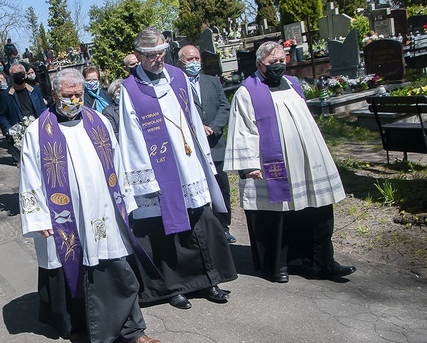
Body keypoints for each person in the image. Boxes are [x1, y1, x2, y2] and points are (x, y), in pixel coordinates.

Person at [19, 68, 162, 343]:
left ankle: (132, 330)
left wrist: (126, 200)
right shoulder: (37, 131)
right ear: (53, 95)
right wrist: (37, 218)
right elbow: (30, 175)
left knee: (117, 266)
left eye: (78, 95)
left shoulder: (99, 121)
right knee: (74, 266)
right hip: (63, 219)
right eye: (67, 95)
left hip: (103, 209)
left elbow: (117, 160)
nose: (73, 100)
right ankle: (82, 326)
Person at [119, 27, 237, 310]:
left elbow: (193, 119)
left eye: (161, 52)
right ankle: (174, 288)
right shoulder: (130, 89)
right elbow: (130, 136)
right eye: (151, 55)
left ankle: (210, 280)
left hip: (188, 163)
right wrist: (145, 179)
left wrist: (203, 159)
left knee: (200, 220)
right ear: (138, 55)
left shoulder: (179, 76)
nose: (158, 58)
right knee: (164, 229)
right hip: (159, 169)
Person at [224, 41, 356, 283]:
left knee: (316, 209)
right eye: (272, 63)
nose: (278, 66)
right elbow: (243, 130)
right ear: (259, 64)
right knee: (277, 214)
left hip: (305, 161)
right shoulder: (247, 91)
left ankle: (321, 262)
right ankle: (277, 265)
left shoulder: (294, 84)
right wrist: (248, 164)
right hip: (270, 164)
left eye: (281, 61)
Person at [178, 45, 236, 244]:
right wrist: (196, 128)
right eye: (189, 60)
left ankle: (223, 226)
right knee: (198, 189)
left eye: (196, 59)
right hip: (192, 147)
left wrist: (213, 127)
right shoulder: (176, 86)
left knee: (222, 187)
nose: (194, 63)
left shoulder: (212, 81)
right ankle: (203, 229)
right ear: (181, 63)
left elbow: (224, 106)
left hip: (214, 143)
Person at [0, 62, 46, 165]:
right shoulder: (6, 95)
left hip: (37, 131)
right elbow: (1, 115)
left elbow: (43, 109)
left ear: (25, 74)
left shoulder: (35, 91)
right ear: (11, 76)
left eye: (21, 73)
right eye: (16, 74)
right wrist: (10, 129)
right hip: (18, 136)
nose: (19, 76)